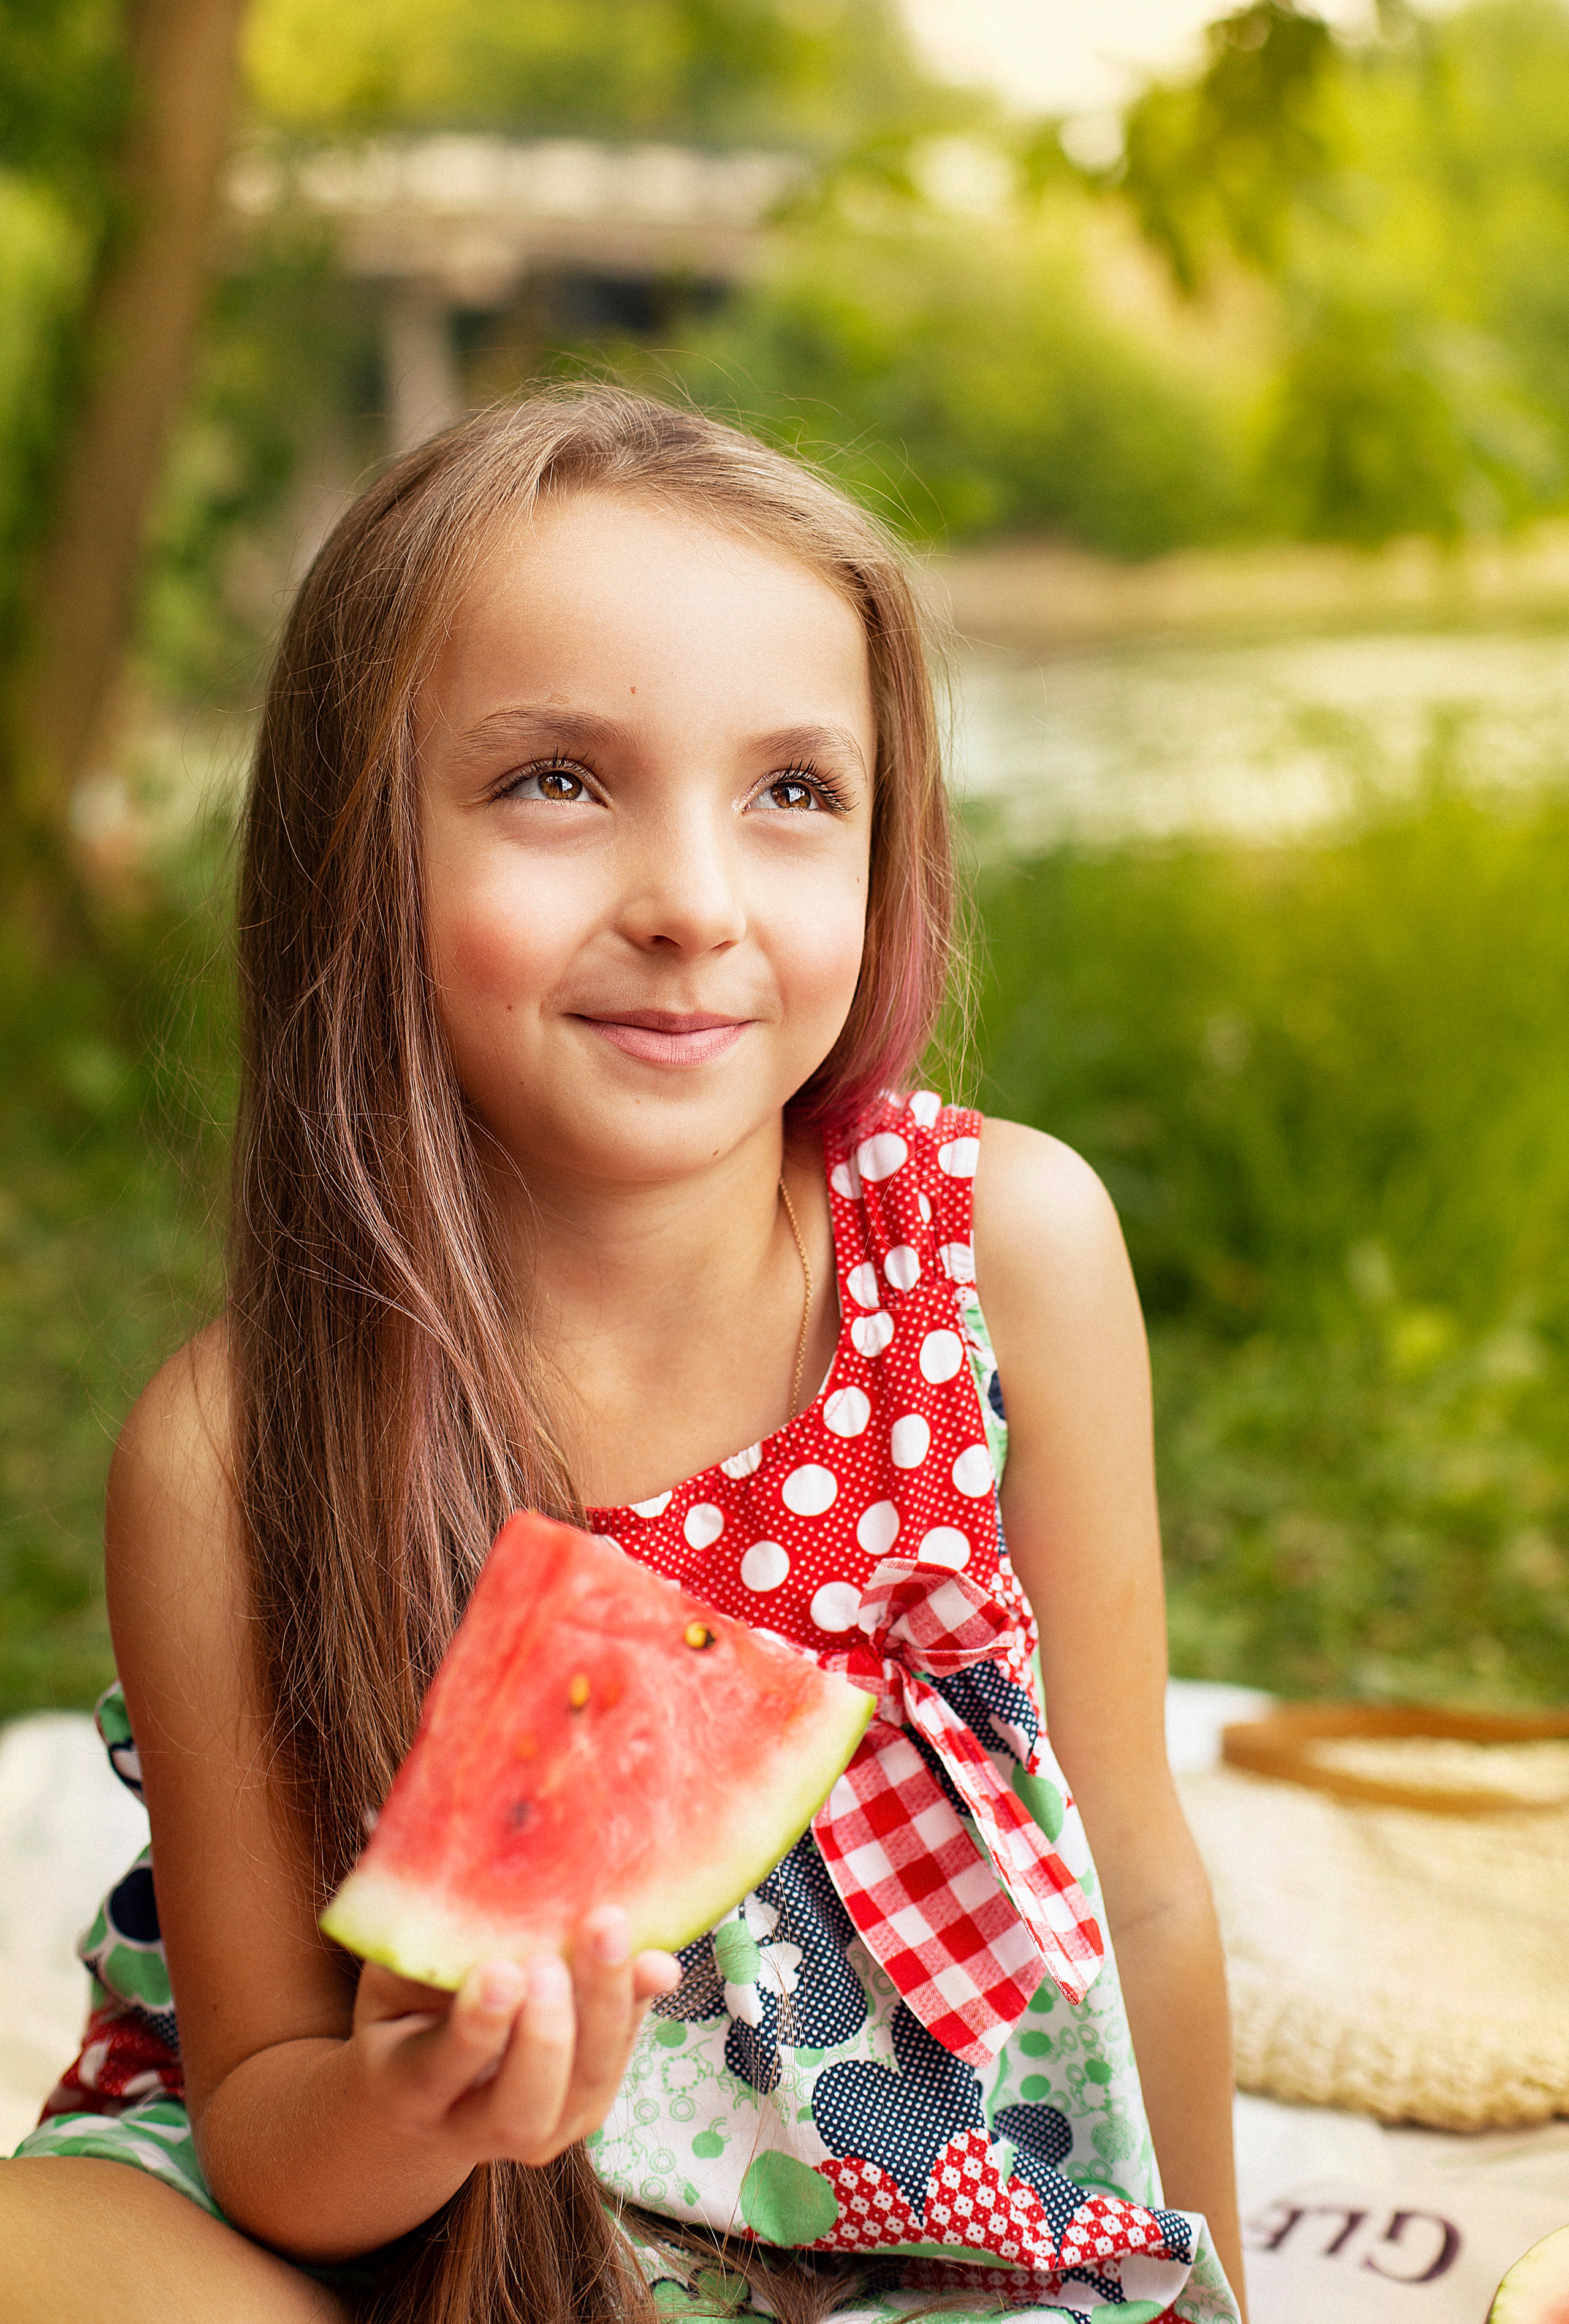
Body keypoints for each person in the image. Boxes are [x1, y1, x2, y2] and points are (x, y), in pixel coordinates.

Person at [1, 388, 1246, 2324]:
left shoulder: (1003, 1251)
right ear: (358, 848)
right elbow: (263, 2117)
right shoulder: (227, 1448)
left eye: (794, 792)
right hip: (408, 2238)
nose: (691, 901)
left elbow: (1145, 1892)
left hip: (905, 2252)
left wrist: (1212, 2286)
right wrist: (423, 2098)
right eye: (559, 783)